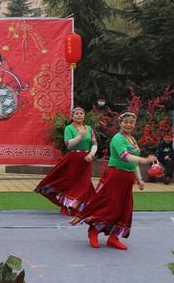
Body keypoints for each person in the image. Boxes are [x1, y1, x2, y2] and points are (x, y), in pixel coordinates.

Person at [70, 112, 155, 250]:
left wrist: (139, 179)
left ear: (135, 124)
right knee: (109, 206)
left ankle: (114, 238)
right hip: (115, 176)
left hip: (127, 179)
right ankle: (94, 231)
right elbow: (125, 156)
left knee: (125, 209)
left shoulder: (132, 139)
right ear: (120, 123)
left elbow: (133, 163)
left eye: (131, 122)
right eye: (125, 122)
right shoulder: (117, 138)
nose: (128, 125)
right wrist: (144, 160)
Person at [34, 107, 97, 215]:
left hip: (86, 159)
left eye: (81, 113)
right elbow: (68, 144)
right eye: (76, 114)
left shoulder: (89, 128)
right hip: (73, 158)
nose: (79, 115)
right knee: (70, 182)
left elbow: (94, 144)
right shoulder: (69, 128)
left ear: (84, 116)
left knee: (84, 183)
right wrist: (80, 136)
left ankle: (77, 206)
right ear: (72, 116)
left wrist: (91, 154)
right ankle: (65, 205)